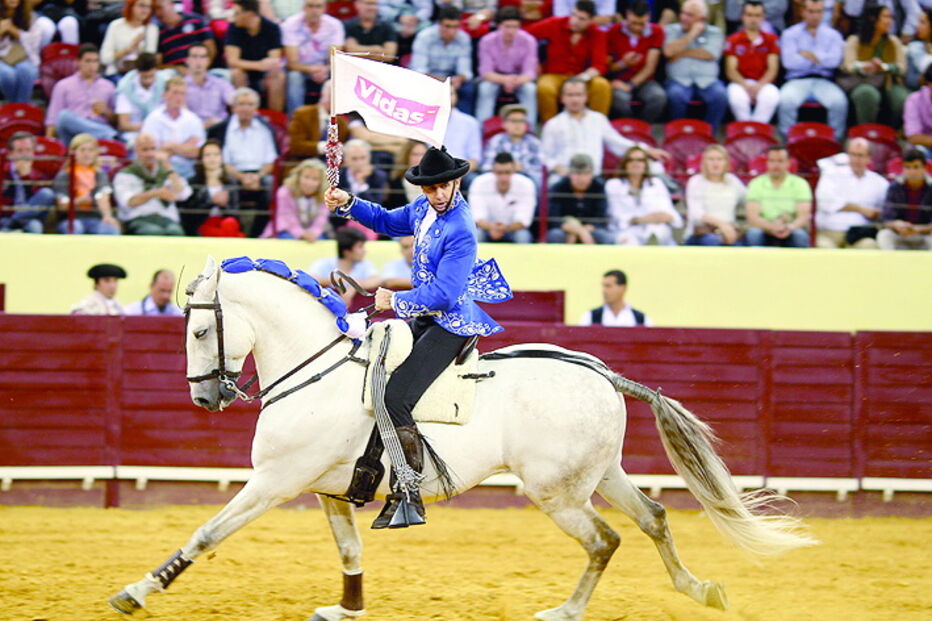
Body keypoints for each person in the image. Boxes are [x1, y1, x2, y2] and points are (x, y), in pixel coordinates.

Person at [324, 145, 512, 529]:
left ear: (456, 181)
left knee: (395, 396)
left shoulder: (461, 228)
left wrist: (397, 298)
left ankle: (410, 493)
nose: (439, 194)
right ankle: (367, 475)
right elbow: (387, 221)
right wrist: (348, 203)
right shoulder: (424, 210)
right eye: (432, 189)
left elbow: (445, 293)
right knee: (374, 373)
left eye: (444, 187)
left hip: (451, 323)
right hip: (426, 316)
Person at [541, 78, 668, 182]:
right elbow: (544, 156)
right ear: (562, 98)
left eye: (579, 95)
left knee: (654, 167)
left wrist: (646, 150)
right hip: (563, 178)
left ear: (586, 97)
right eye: (570, 95)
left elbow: (618, 144)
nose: (575, 99)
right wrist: (557, 167)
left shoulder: (598, 119)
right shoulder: (553, 124)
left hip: (593, 178)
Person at [527, 0, 612, 124]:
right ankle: (550, 126)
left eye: (582, 19)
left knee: (602, 85)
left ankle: (597, 126)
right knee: (544, 87)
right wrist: (533, 61)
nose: (575, 21)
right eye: (574, 15)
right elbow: (525, 36)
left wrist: (581, 79)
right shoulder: (554, 24)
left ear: (591, 21)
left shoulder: (597, 33)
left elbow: (599, 65)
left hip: (582, 76)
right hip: (554, 74)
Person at [778, 0, 848, 141]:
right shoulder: (790, 34)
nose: (815, 16)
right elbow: (789, 62)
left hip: (824, 81)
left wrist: (808, 55)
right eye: (811, 11)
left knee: (839, 103)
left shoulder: (833, 35)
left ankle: (834, 143)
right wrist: (821, 59)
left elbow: (834, 61)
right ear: (803, 12)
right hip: (797, 80)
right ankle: (788, 143)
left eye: (819, 11)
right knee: (785, 101)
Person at [207, 87, 278, 207]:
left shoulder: (266, 129)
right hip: (232, 173)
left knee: (270, 182)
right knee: (229, 183)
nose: (246, 108)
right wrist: (241, 177)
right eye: (241, 104)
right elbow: (222, 162)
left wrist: (257, 177)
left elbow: (270, 162)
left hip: (259, 174)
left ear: (256, 108)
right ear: (233, 108)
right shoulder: (220, 130)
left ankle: (261, 225)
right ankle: (234, 223)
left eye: (250, 104)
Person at [663, 0, 728, 130]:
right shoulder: (671, 30)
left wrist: (681, 53)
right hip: (678, 80)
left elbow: (711, 54)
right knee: (675, 95)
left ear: (702, 19)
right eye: (682, 13)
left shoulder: (715, 32)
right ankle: (677, 132)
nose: (683, 18)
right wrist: (692, 34)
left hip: (707, 81)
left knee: (720, 95)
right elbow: (668, 51)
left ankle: (709, 134)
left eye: (690, 15)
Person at [839, 4, 908, 128]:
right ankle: (865, 132)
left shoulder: (893, 42)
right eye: (885, 17)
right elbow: (848, 65)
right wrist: (866, 66)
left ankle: (893, 132)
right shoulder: (854, 40)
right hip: (862, 82)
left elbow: (902, 68)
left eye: (891, 17)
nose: (889, 21)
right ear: (873, 19)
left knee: (902, 98)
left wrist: (884, 67)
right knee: (867, 94)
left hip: (888, 82)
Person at [815, 137, 887, 248]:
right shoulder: (831, 174)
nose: (856, 159)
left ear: (869, 158)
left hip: (860, 234)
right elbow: (825, 202)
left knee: (870, 246)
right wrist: (862, 209)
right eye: (852, 154)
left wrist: (876, 213)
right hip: (830, 232)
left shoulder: (879, 182)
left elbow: (885, 210)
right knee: (824, 248)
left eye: (860, 155)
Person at [113, 132, 190, 235]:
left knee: (175, 232)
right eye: (145, 150)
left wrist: (167, 165)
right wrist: (155, 193)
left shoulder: (166, 172)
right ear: (136, 151)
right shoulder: (126, 174)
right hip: (138, 218)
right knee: (153, 232)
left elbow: (183, 193)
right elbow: (128, 202)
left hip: (166, 217)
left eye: (153, 149)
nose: (150, 154)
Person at [605, 146, 681, 246]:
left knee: (657, 232)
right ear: (625, 164)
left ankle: (652, 245)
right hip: (627, 230)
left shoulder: (656, 183)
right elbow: (616, 215)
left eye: (640, 160)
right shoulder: (614, 184)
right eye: (631, 160)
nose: (635, 164)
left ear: (645, 164)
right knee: (628, 242)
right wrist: (642, 219)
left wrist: (664, 217)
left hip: (654, 226)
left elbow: (668, 211)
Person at [475, 6, 538, 126]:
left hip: (518, 79)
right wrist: (504, 80)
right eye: (507, 27)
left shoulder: (529, 41)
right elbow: (485, 71)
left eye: (515, 27)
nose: (511, 31)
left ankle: (530, 129)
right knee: (485, 89)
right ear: (499, 26)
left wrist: (514, 81)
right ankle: (483, 131)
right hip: (495, 78)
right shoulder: (486, 41)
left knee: (530, 89)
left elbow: (530, 72)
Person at [606, 0, 667, 123]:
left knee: (658, 97)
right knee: (620, 100)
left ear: (649, 17)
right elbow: (608, 66)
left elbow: (650, 67)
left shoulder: (657, 31)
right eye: (633, 23)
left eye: (641, 24)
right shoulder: (613, 31)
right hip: (620, 78)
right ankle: (627, 128)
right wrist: (623, 63)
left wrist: (630, 86)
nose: (637, 27)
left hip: (645, 80)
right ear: (627, 14)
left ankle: (643, 127)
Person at [46, 44, 119, 146]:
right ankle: (109, 136)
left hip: (98, 127)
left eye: (95, 61)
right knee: (64, 116)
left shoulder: (108, 86)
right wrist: (49, 145)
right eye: (88, 61)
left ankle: (105, 135)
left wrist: (106, 112)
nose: (92, 65)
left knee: (102, 128)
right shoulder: (63, 85)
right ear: (78, 62)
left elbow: (117, 120)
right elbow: (53, 120)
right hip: (73, 133)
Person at [410, 5, 476, 114]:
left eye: (455, 27)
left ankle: (463, 122)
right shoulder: (424, 37)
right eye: (447, 26)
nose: (452, 31)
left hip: (452, 78)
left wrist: (459, 78)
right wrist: (443, 81)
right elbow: (419, 70)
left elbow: (465, 70)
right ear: (439, 24)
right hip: (428, 78)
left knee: (468, 88)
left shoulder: (464, 38)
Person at [744, 145, 812, 247]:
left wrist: (789, 227)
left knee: (800, 235)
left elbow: (803, 217)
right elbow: (753, 217)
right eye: (772, 161)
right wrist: (772, 227)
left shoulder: (800, 184)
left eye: (780, 161)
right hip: (765, 228)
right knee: (754, 234)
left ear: (788, 163)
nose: (776, 165)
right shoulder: (756, 183)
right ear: (767, 163)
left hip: (790, 227)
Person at [283, 0, 344, 113]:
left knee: (340, 75)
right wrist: (312, 69)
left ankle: (335, 121)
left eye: (318, 6)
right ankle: (296, 118)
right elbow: (291, 63)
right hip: (300, 69)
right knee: (294, 77)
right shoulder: (291, 24)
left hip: (325, 69)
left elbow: (336, 59)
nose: (314, 11)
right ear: (303, 7)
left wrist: (325, 69)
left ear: (325, 8)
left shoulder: (334, 25)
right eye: (310, 6)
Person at [724, 0, 780, 124]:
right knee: (737, 98)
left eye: (757, 15)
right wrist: (746, 86)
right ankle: (745, 130)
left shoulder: (771, 39)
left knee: (772, 96)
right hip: (740, 82)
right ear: (742, 16)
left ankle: (758, 130)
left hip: (763, 82)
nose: (753, 19)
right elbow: (731, 70)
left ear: (763, 17)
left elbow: (773, 69)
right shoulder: (733, 40)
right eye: (749, 15)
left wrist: (759, 86)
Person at [53, 134, 120, 235]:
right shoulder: (64, 174)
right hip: (71, 219)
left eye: (90, 150)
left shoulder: (100, 174)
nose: (86, 154)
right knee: (75, 228)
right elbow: (62, 205)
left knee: (110, 229)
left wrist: (107, 216)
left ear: (95, 153)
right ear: (73, 153)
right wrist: (78, 202)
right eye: (82, 150)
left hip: (95, 217)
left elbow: (102, 196)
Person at [140, 76, 207, 178]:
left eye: (182, 93)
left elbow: (196, 152)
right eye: (175, 93)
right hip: (159, 171)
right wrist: (184, 147)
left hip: (188, 172)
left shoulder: (194, 120)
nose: (179, 97)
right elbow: (150, 152)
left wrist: (170, 146)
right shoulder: (153, 119)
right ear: (165, 94)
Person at [225, 0, 285, 112]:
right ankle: (242, 115)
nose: (233, 17)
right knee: (237, 74)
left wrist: (263, 66)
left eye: (237, 13)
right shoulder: (234, 28)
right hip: (244, 71)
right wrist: (259, 65)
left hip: (264, 74)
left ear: (250, 14)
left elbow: (274, 60)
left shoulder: (272, 28)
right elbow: (232, 61)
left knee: (277, 77)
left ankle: (276, 120)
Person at [684, 144, 746, 246]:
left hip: (728, 232)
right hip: (702, 233)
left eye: (719, 159)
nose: (715, 163)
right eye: (711, 159)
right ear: (704, 162)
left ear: (726, 162)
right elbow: (696, 213)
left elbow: (748, 200)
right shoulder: (696, 181)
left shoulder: (733, 181)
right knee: (713, 240)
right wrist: (722, 225)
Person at [468, 152, 537, 243]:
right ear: (493, 171)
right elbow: (477, 218)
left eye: (507, 172)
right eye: (499, 173)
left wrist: (504, 228)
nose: (503, 177)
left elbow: (524, 221)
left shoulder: (526, 184)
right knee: (476, 234)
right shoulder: (479, 183)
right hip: (486, 229)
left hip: (513, 230)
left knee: (523, 235)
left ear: (514, 171)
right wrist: (491, 227)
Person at [180, 139, 243, 237]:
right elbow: (190, 215)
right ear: (201, 158)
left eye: (216, 155)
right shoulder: (193, 182)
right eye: (207, 155)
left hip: (225, 223)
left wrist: (223, 205)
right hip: (203, 224)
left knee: (230, 223)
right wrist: (211, 201)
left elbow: (236, 214)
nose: (212, 159)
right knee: (236, 236)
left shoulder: (229, 182)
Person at [547, 153, 613, 244]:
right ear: (569, 174)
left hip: (591, 229)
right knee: (555, 235)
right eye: (578, 174)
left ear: (592, 174)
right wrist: (579, 231)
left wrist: (584, 230)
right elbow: (553, 218)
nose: (582, 179)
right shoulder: (558, 187)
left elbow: (600, 217)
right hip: (566, 228)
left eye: (586, 174)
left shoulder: (599, 187)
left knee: (605, 237)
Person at [308, 227, 381, 304]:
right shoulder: (323, 263)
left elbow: (377, 280)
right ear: (347, 251)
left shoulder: (365, 264)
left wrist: (354, 286)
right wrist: (338, 280)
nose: (364, 251)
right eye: (360, 247)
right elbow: (310, 279)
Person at [261, 158, 330, 240]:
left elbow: (321, 219)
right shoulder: (285, 192)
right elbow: (287, 218)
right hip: (286, 230)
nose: (309, 183)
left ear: (321, 182)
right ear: (298, 176)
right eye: (306, 177)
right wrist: (301, 234)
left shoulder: (326, 195)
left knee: (321, 241)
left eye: (315, 179)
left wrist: (314, 233)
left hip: (313, 234)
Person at [0, 132, 55, 234]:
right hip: (5, 217)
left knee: (46, 194)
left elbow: (41, 204)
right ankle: (10, 225)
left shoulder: (39, 174)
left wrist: (26, 177)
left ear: (33, 152)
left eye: (28, 150)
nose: (25, 155)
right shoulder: (2, 171)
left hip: (28, 219)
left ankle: (11, 225)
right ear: (11, 154)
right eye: (20, 151)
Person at [877, 148, 932, 250]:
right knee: (884, 235)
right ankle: (887, 265)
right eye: (908, 167)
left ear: (924, 168)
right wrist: (897, 224)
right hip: (901, 233)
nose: (912, 171)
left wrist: (918, 229)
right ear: (903, 168)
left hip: (925, 234)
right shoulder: (895, 187)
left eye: (916, 167)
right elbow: (886, 218)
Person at [114, 53, 172, 148]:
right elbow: (124, 124)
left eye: (151, 76)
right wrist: (148, 126)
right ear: (138, 72)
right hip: (135, 133)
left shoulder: (165, 82)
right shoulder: (125, 87)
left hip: (162, 130)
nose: (148, 81)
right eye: (145, 77)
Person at [480, 104, 544, 188]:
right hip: (500, 177)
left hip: (527, 178)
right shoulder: (496, 141)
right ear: (504, 124)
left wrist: (523, 168)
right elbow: (486, 166)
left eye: (522, 121)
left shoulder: (534, 142)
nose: (518, 125)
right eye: (514, 121)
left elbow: (541, 167)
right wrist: (508, 168)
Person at [288, 79, 350, 158]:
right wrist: (323, 147)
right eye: (332, 95)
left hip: (331, 166)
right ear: (323, 94)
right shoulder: (302, 114)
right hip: (304, 162)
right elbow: (295, 145)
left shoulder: (341, 122)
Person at [184, 43, 236, 130]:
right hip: (191, 130)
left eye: (202, 57)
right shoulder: (180, 86)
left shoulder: (220, 84)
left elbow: (235, 101)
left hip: (219, 128)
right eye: (194, 56)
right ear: (187, 60)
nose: (198, 61)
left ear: (208, 61)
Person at [99, 0, 158, 76]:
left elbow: (150, 61)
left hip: (140, 75)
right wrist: (129, 48)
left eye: (149, 7)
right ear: (131, 6)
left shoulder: (152, 29)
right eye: (142, 5)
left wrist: (138, 49)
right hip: (116, 72)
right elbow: (105, 59)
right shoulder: (116, 25)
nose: (145, 10)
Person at [153, 0, 215, 70]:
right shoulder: (158, 32)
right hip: (174, 75)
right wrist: (177, 69)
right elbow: (158, 64)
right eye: (154, 10)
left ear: (172, 5)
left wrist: (201, 68)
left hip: (201, 69)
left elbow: (210, 47)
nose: (157, 13)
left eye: (159, 8)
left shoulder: (196, 20)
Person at [0, 0, 41, 104]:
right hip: (1, 59)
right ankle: (19, 108)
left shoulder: (29, 16)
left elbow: (34, 43)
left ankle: (18, 106)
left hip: (23, 57)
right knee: (7, 75)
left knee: (27, 70)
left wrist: (15, 32)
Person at [579, 269, 651, 326]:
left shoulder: (641, 319)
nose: (604, 291)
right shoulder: (590, 317)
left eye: (608, 286)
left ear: (623, 288)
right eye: (603, 286)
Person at [386, 139, 427, 209]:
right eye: (415, 154)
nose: (419, 159)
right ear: (407, 156)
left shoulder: (435, 180)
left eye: (422, 155)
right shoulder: (396, 181)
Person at [905, 64, 932, 158]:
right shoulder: (914, 100)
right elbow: (913, 138)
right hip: (924, 150)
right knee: (918, 150)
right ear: (929, 83)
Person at [906, 9, 932, 89]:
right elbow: (910, 79)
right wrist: (924, 79)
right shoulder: (914, 47)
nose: (917, 26)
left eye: (922, 22)